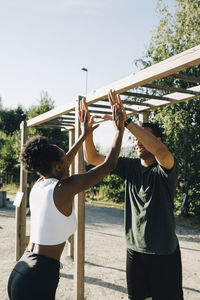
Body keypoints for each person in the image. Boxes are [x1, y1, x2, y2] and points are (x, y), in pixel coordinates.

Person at [7, 90, 124, 300]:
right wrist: (120, 128)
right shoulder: (64, 188)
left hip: (23, 269)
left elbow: (64, 161)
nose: (69, 162)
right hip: (38, 276)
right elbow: (110, 165)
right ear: (58, 166)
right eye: (64, 160)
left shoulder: (41, 184)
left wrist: (84, 135)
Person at [83, 90, 183, 300]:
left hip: (164, 253)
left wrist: (126, 122)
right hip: (134, 251)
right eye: (134, 139)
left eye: (140, 137)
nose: (136, 142)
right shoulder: (129, 167)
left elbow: (162, 152)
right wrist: (87, 134)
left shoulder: (165, 168)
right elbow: (92, 157)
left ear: (156, 140)